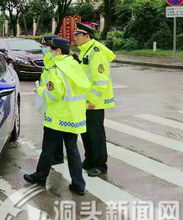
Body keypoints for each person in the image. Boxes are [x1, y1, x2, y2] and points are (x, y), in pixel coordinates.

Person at [24, 38, 91, 195]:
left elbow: (54, 95)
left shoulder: (56, 68)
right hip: (72, 117)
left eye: (51, 49)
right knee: (73, 150)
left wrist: (40, 91)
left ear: (58, 51)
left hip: (57, 116)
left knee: (48, 149)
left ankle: (40, 176)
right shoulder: (74, 64)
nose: (49, 51)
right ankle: (78, 184)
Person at [74, 22, 116, 177]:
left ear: (87, 36)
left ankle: (100, 164)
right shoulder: (85, 51)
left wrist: (92, 100)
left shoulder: (95, 52)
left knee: (96, 134)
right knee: (86, 133)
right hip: (85, 101)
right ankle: (89, 160)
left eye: (78, 35)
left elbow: (101, 80)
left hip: (94, 103)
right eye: (75, 35)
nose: (75, 38)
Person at [40, 34, 64, 166]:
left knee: (53, 132)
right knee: (53, 131)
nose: (44, 48)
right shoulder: (48, 57)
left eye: (46, 46)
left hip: (56, 101)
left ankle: (55, 156)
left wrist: (41, 90)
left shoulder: (57, 59)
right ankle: (56, 155)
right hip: (48, 97)